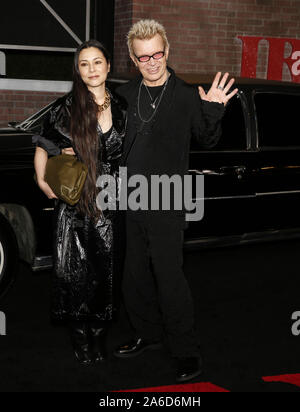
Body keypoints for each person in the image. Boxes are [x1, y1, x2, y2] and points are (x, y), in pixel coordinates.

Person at [113, 19, 238, 382]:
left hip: (168, 199)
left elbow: (208, 139)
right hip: (129, 197)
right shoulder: (123, 95)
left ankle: (186, 351)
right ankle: (147, 334)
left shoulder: (184, 95)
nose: (151, 62)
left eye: (157, 54)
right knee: (133, 275)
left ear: (167, 51)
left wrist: (213, 110)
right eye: (143, 57)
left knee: (170, 279)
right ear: (133, 60)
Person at [33, 40, 127, 365]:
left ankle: (99, 335)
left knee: (106, 273)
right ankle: (79, 336)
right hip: (74, 202)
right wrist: (45, 185)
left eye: (97, 62)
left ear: (108, 66)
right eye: (84, 64)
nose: (91, 69)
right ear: (78, 69)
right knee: (74, 274)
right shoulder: (67, 107)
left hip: (112, 201)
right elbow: (44, 146)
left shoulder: (124, 105)